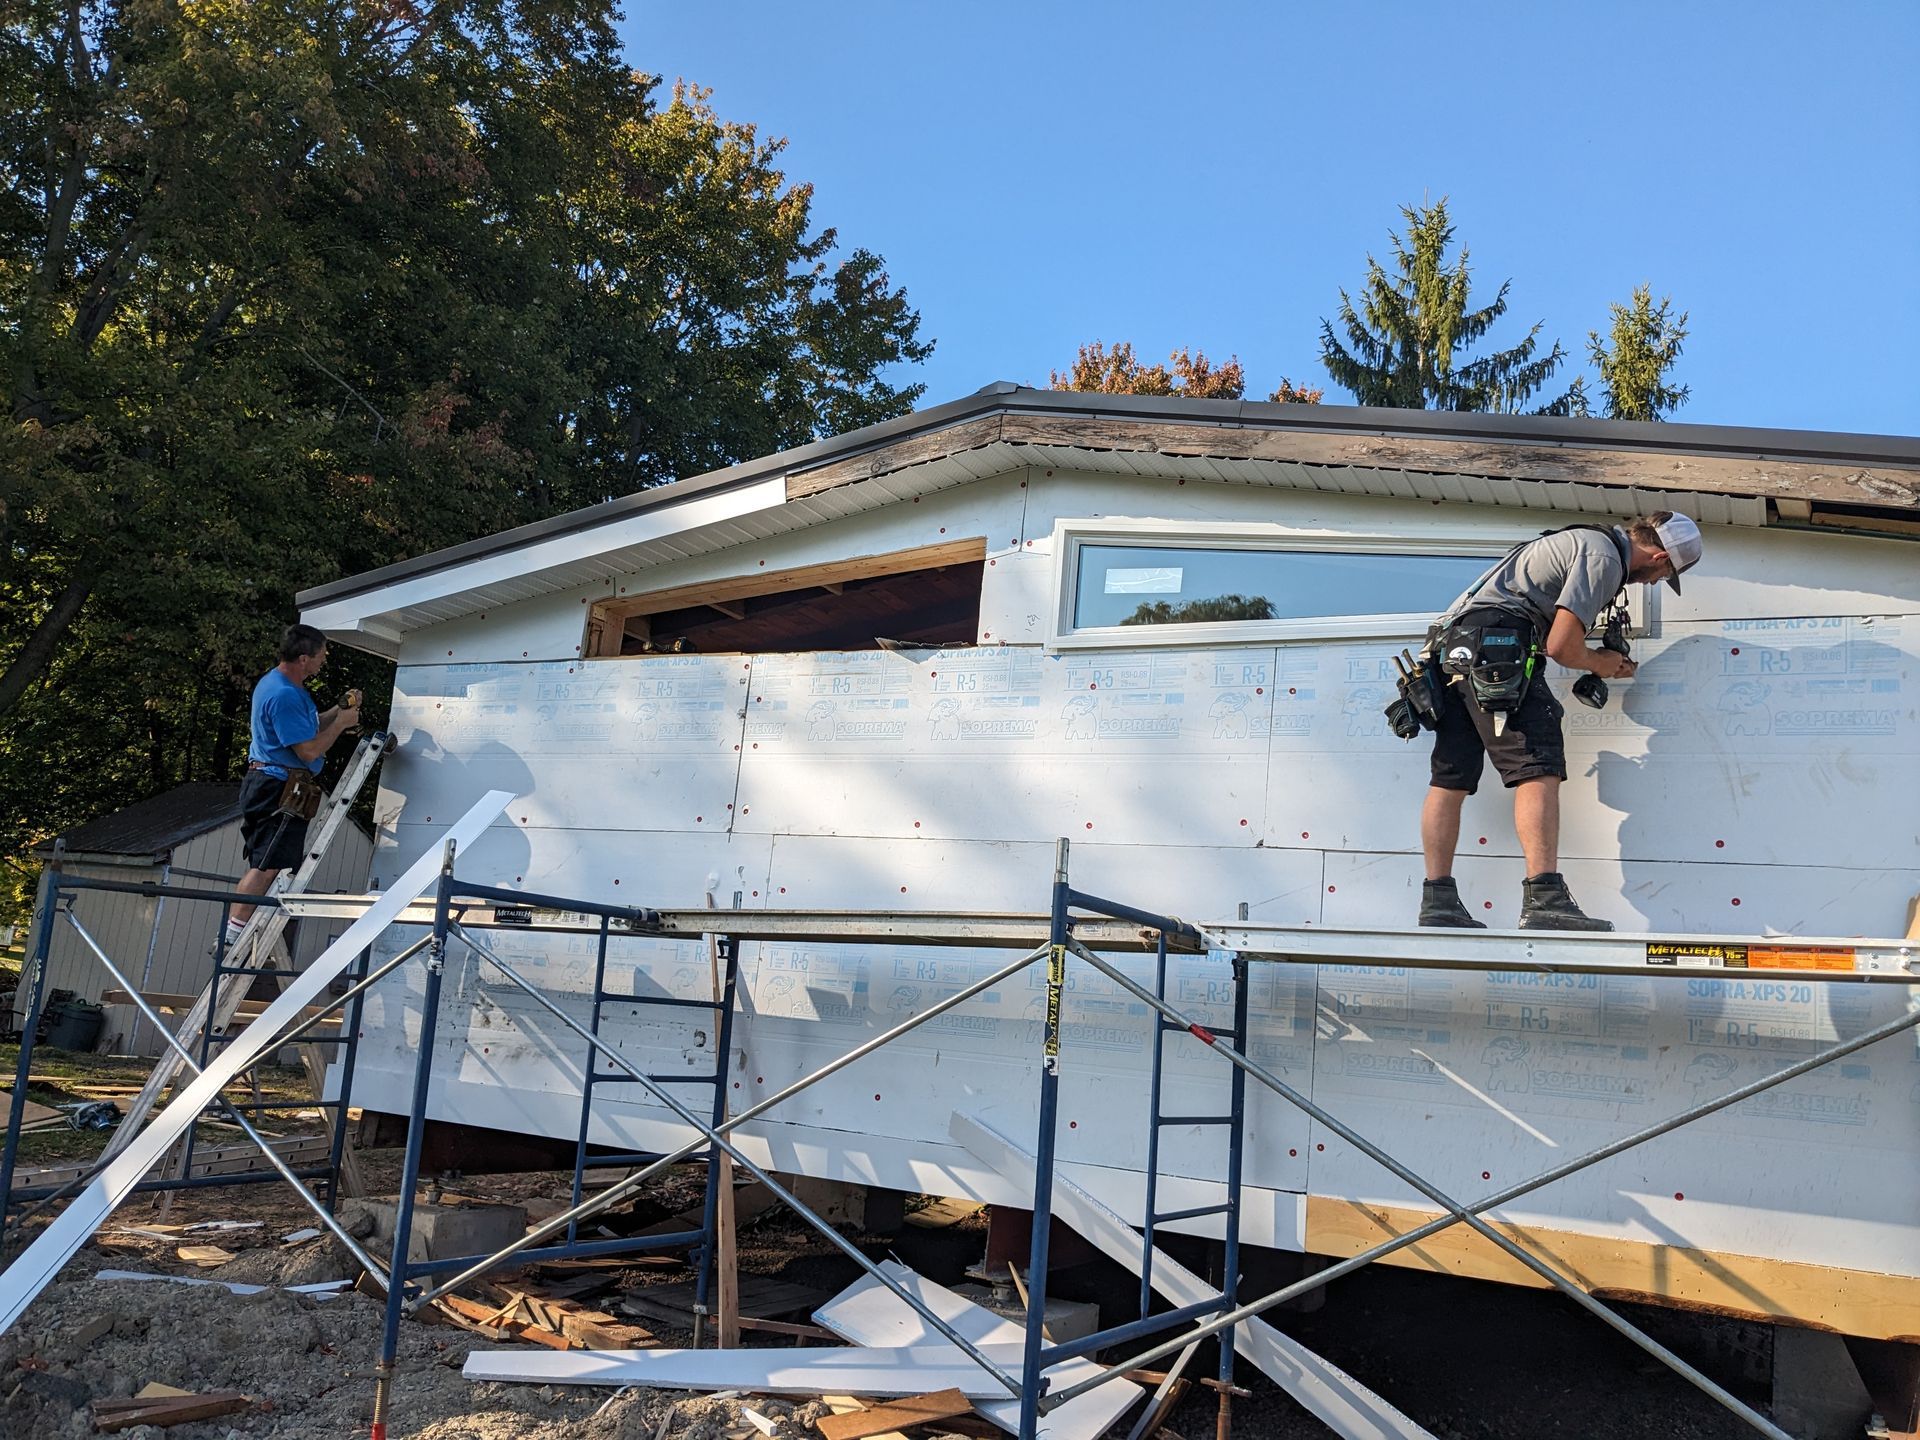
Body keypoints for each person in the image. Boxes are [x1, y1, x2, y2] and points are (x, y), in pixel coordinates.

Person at [1418, 511, 1703, 931]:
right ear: (1659, 556)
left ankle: (1437, 902)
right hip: (1499, 647)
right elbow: (1562, 646)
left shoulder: (1581, 542)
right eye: (1664, 575)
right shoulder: (1604, 556)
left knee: (1450, 778)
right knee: (1538, 765)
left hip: (1455, 652)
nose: (1655, 582)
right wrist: (1601, 663)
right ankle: (1545, 899)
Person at [225, 625, 361, 945]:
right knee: (267, 863)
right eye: (321, 655)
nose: (324, 660)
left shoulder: (286, 686)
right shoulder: (284, 695)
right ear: (303, 658)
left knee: (273, 862)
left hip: (278, 783)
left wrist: (337, 712)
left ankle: (239, 929)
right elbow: (309, 749)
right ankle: (232, 935)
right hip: (275, 786)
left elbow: (309, 728)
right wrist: (341, 724)